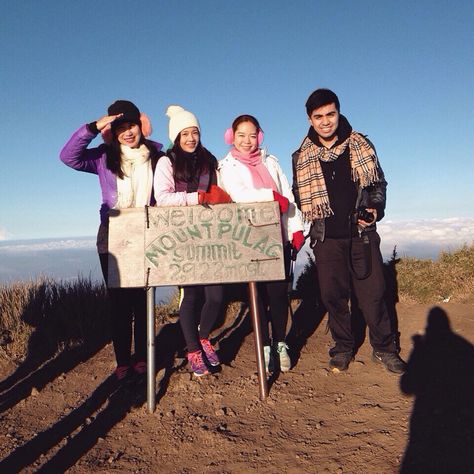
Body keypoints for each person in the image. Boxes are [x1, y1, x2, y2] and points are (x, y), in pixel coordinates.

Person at [292, 88, 406, 373]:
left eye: (330, 114)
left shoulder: (361, 145)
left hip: (362, 235)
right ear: (310, 119)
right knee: (333, 297)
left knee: (374, 294)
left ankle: (384, 348)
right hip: (326, 237)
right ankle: (343, 347)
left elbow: (378, 184)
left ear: (338, 112)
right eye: (318, 117)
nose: (325, 121)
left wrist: (374, 210)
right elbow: (298, 193)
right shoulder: (301, 156)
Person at [60, 100, 164, 384]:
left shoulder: (156, 155)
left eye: (131, 125)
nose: (127, 132)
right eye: (120, 128)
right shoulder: (104, 157)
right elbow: (68, 157)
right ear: (112, 131)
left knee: (143, 299)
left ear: (140, 125)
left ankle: (142, 358)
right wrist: (94, 127)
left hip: (146, 231)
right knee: (119, 302)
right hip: (113, 234)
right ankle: (123, 361)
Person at [219, 114, 305, 373]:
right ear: (232, 136)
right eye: (241, 135)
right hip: (248, 241)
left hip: (277, 236)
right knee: (256, 296)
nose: (247, 141)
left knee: (279, 294)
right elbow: (238, 195)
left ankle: (280, 343)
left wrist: (296, 228)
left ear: (260, 136)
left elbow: (287, 195)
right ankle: (264, 345)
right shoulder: (226, 166)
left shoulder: (271, 162)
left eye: (252, 135)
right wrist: (271, 196)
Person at [153, 105, 232, 377]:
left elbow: (220, 192)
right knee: (191, 295)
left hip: (211, 238)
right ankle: (192, 350)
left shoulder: (210, 162)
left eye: (194, 132)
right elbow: (162, 199)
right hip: (182, 239)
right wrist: (197, 199)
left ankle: (204, 337)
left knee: (216, 295)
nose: (190, 138)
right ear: (176, 137)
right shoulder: (166, 162)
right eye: (185, 133)